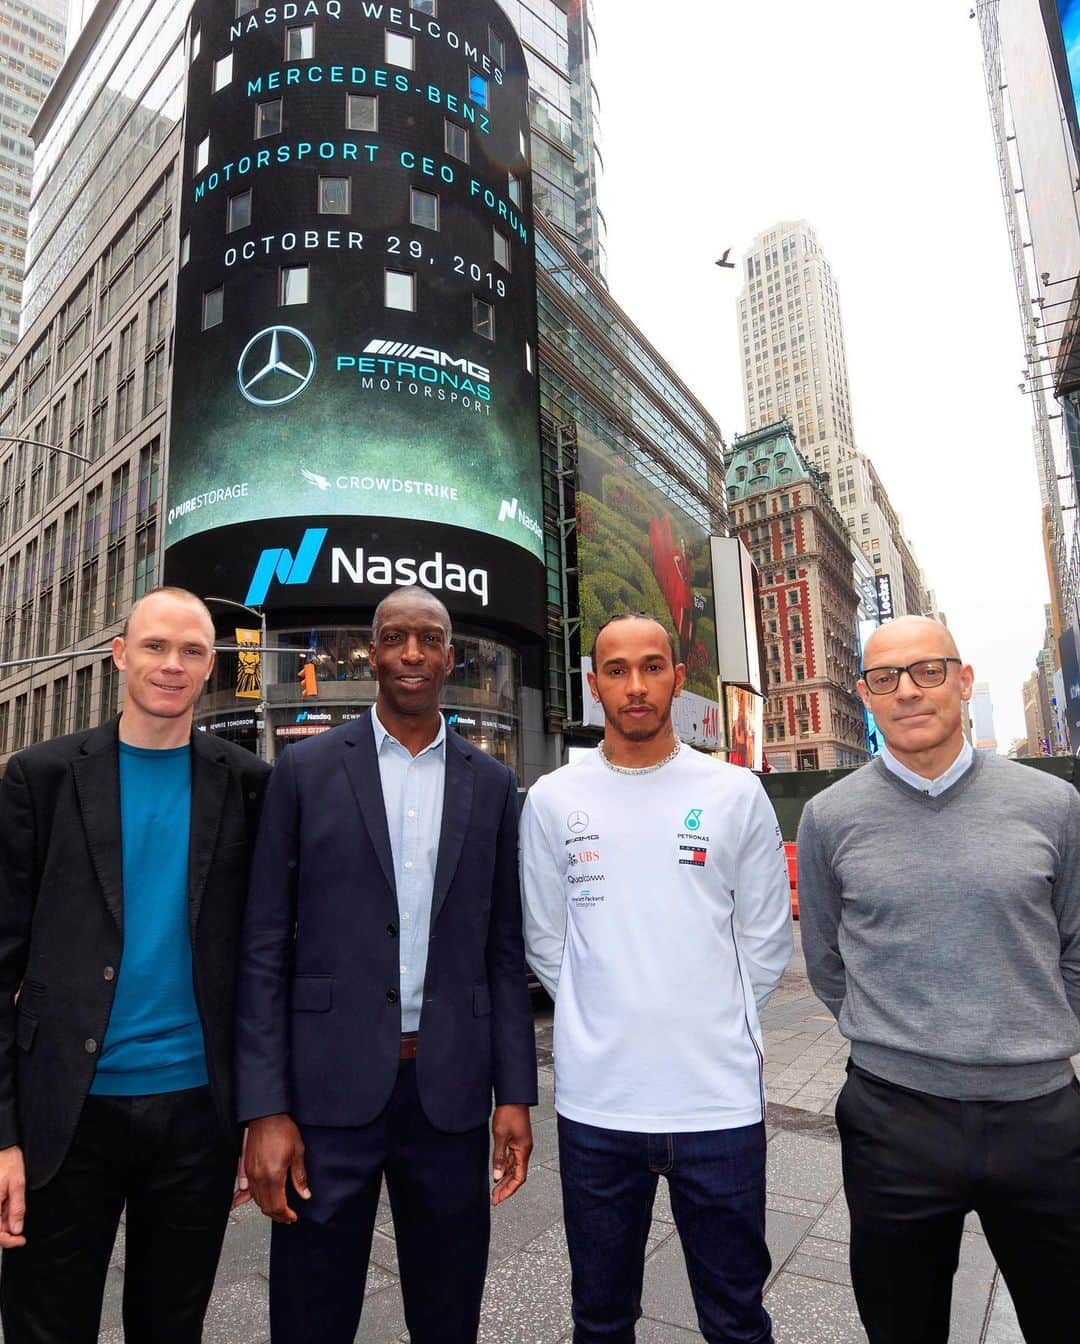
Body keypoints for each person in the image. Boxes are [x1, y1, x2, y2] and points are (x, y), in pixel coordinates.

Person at [236, 584, 537, 1344]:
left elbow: (503, 950)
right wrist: (264, 1108)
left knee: (448, 1313)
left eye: (428, 639)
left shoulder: (494, 785)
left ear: (449, 655)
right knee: (310, 1313)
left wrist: (516, 1094)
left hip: (451, 1095)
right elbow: (265, 945)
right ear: (371, 652)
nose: (411, 654)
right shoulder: (303, 772)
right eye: (395, 637)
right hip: (323, 1097)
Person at [797, 615, 1080, 1343]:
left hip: (1041, 1117)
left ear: (962, 680)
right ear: (865, 694)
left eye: (927, 671)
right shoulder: (830, 817)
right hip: (895, 1121)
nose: (908, 692)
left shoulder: (1052, 807)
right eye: (885, 678)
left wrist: (1035, 1030)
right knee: (901, 1326)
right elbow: (827, 959)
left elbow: (1076, 944)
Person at [0, 586, 271, 1343]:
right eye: (155, 646)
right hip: (64, 1111)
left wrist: (258, 1111)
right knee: (43, 1326)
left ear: (210, 665)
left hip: (196, 1113)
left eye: (191, 651)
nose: (172, 665)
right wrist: (2, 1137)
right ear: (120, 655)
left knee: (171, 1325)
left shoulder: (248, 783)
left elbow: (260, 962)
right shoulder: (41, 779)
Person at [520, 611, 793, 1344]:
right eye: (616, 669)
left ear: (678, 677)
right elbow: (546, 938)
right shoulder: (552, 800)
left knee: (737, 1319)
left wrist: (712, 1017)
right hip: (597, 1107)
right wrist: (600, 1014)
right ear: (592, 685)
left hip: (719, 1105)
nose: (635, 686)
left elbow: (766, 936)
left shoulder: (735, 792)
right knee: (601, 1319)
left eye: (651, 667)